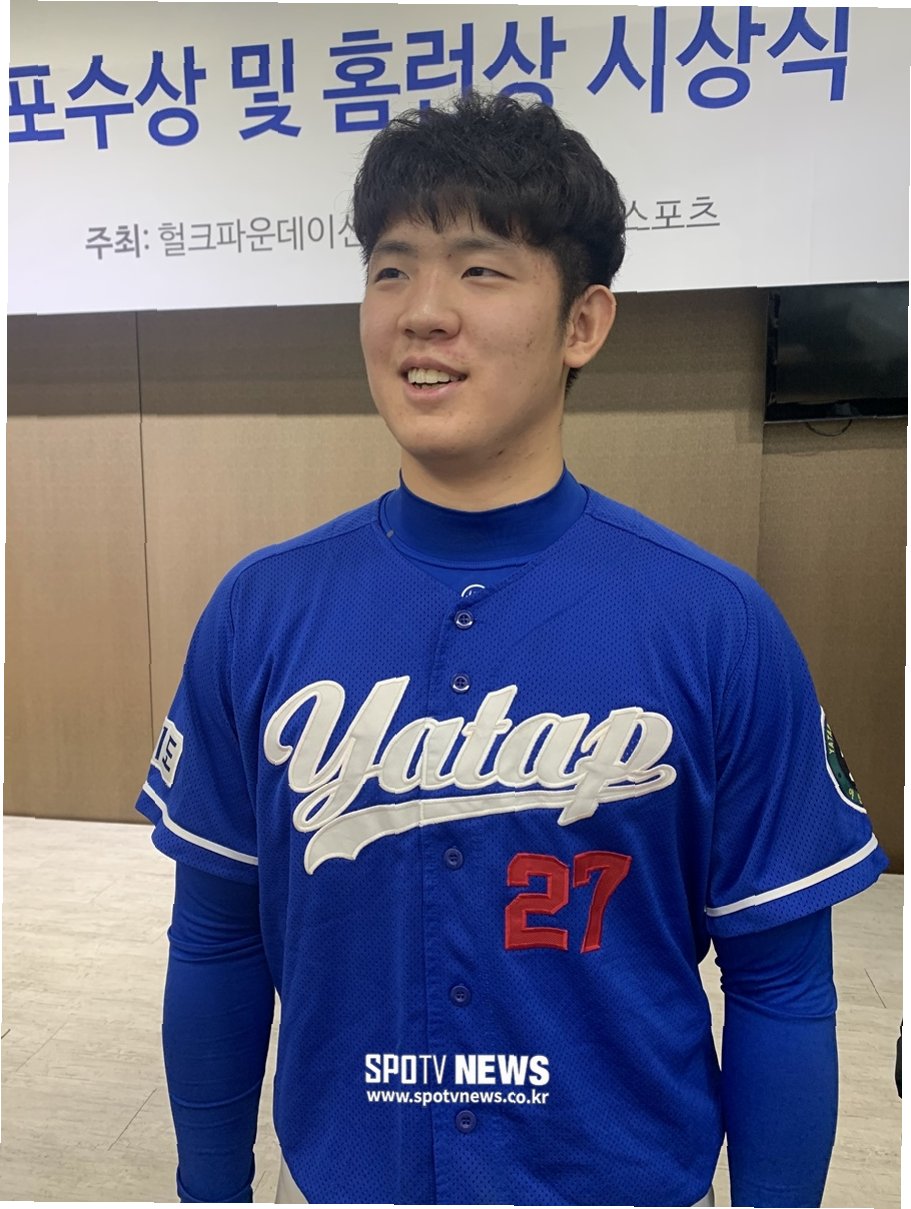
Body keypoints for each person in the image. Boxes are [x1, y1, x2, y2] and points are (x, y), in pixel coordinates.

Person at [135, 89, 888, 1207]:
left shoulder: (716, 625)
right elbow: (214, 940)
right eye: (390, 270)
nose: (421, 312)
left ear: (583, 322)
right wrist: (208, 1190)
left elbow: (780, 985)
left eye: (480, 270)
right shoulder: (260, 610)